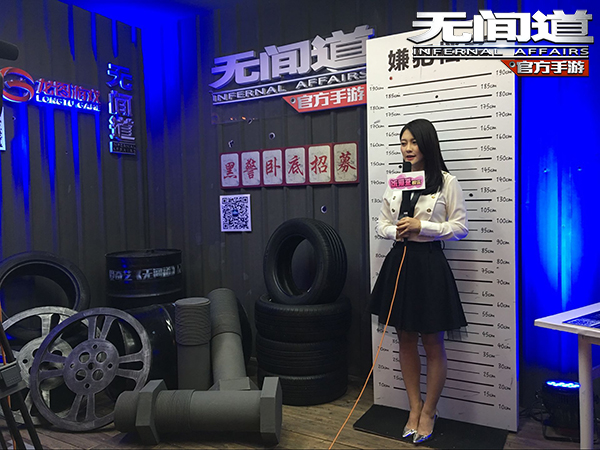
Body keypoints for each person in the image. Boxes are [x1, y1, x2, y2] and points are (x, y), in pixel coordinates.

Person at [369, 118, 468, 444]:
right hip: (401, 262)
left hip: (429, 265)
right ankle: (414, 408)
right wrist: (395, 230)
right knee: (405, 338)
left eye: (413, 142)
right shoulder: (398, 181)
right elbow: (381, 224)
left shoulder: (446, 182)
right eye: (403, 143)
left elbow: (460, 227)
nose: (408, 148)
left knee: (433, 341)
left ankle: (429, 411)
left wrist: (423, 227)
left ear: (427, 143)